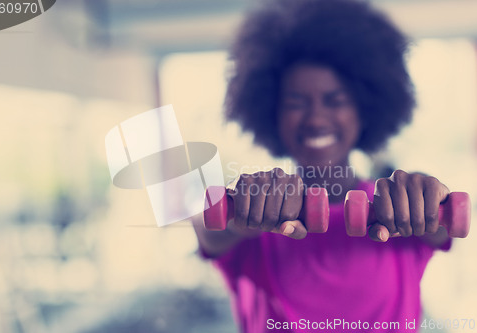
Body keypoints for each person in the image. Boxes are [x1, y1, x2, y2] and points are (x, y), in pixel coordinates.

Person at [193, 0, 452, 331]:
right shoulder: (252, 211)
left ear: (364, 110)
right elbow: (208, 230)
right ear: (271, 113)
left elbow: (441, 225)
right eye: (295, 103)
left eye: (336, 100)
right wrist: (239, 218)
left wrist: (429, 196)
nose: (316, 119)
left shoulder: (400, 209)